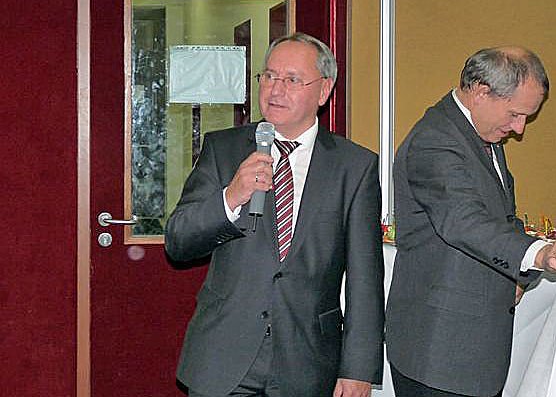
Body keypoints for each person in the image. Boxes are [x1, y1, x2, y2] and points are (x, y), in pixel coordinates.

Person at [165, 32, 384, 397]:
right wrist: (231, 197)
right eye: (269, 76)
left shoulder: (354, 167)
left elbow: (366, 278)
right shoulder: (223, 149)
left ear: (324, 90)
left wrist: (359, 368)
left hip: (308, 360)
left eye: (292, 80)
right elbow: (178, 241)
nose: (275, 89)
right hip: (223, 357)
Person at [385, 46, 556, 397]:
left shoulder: (480, 133)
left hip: (470, 355)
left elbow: (502, 218)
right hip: (439, 357)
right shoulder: (434, 141)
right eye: (515, 114)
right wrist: (538, 254)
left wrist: (521, 273)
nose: (519, 128)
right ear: (480, 91)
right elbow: (463, 221)